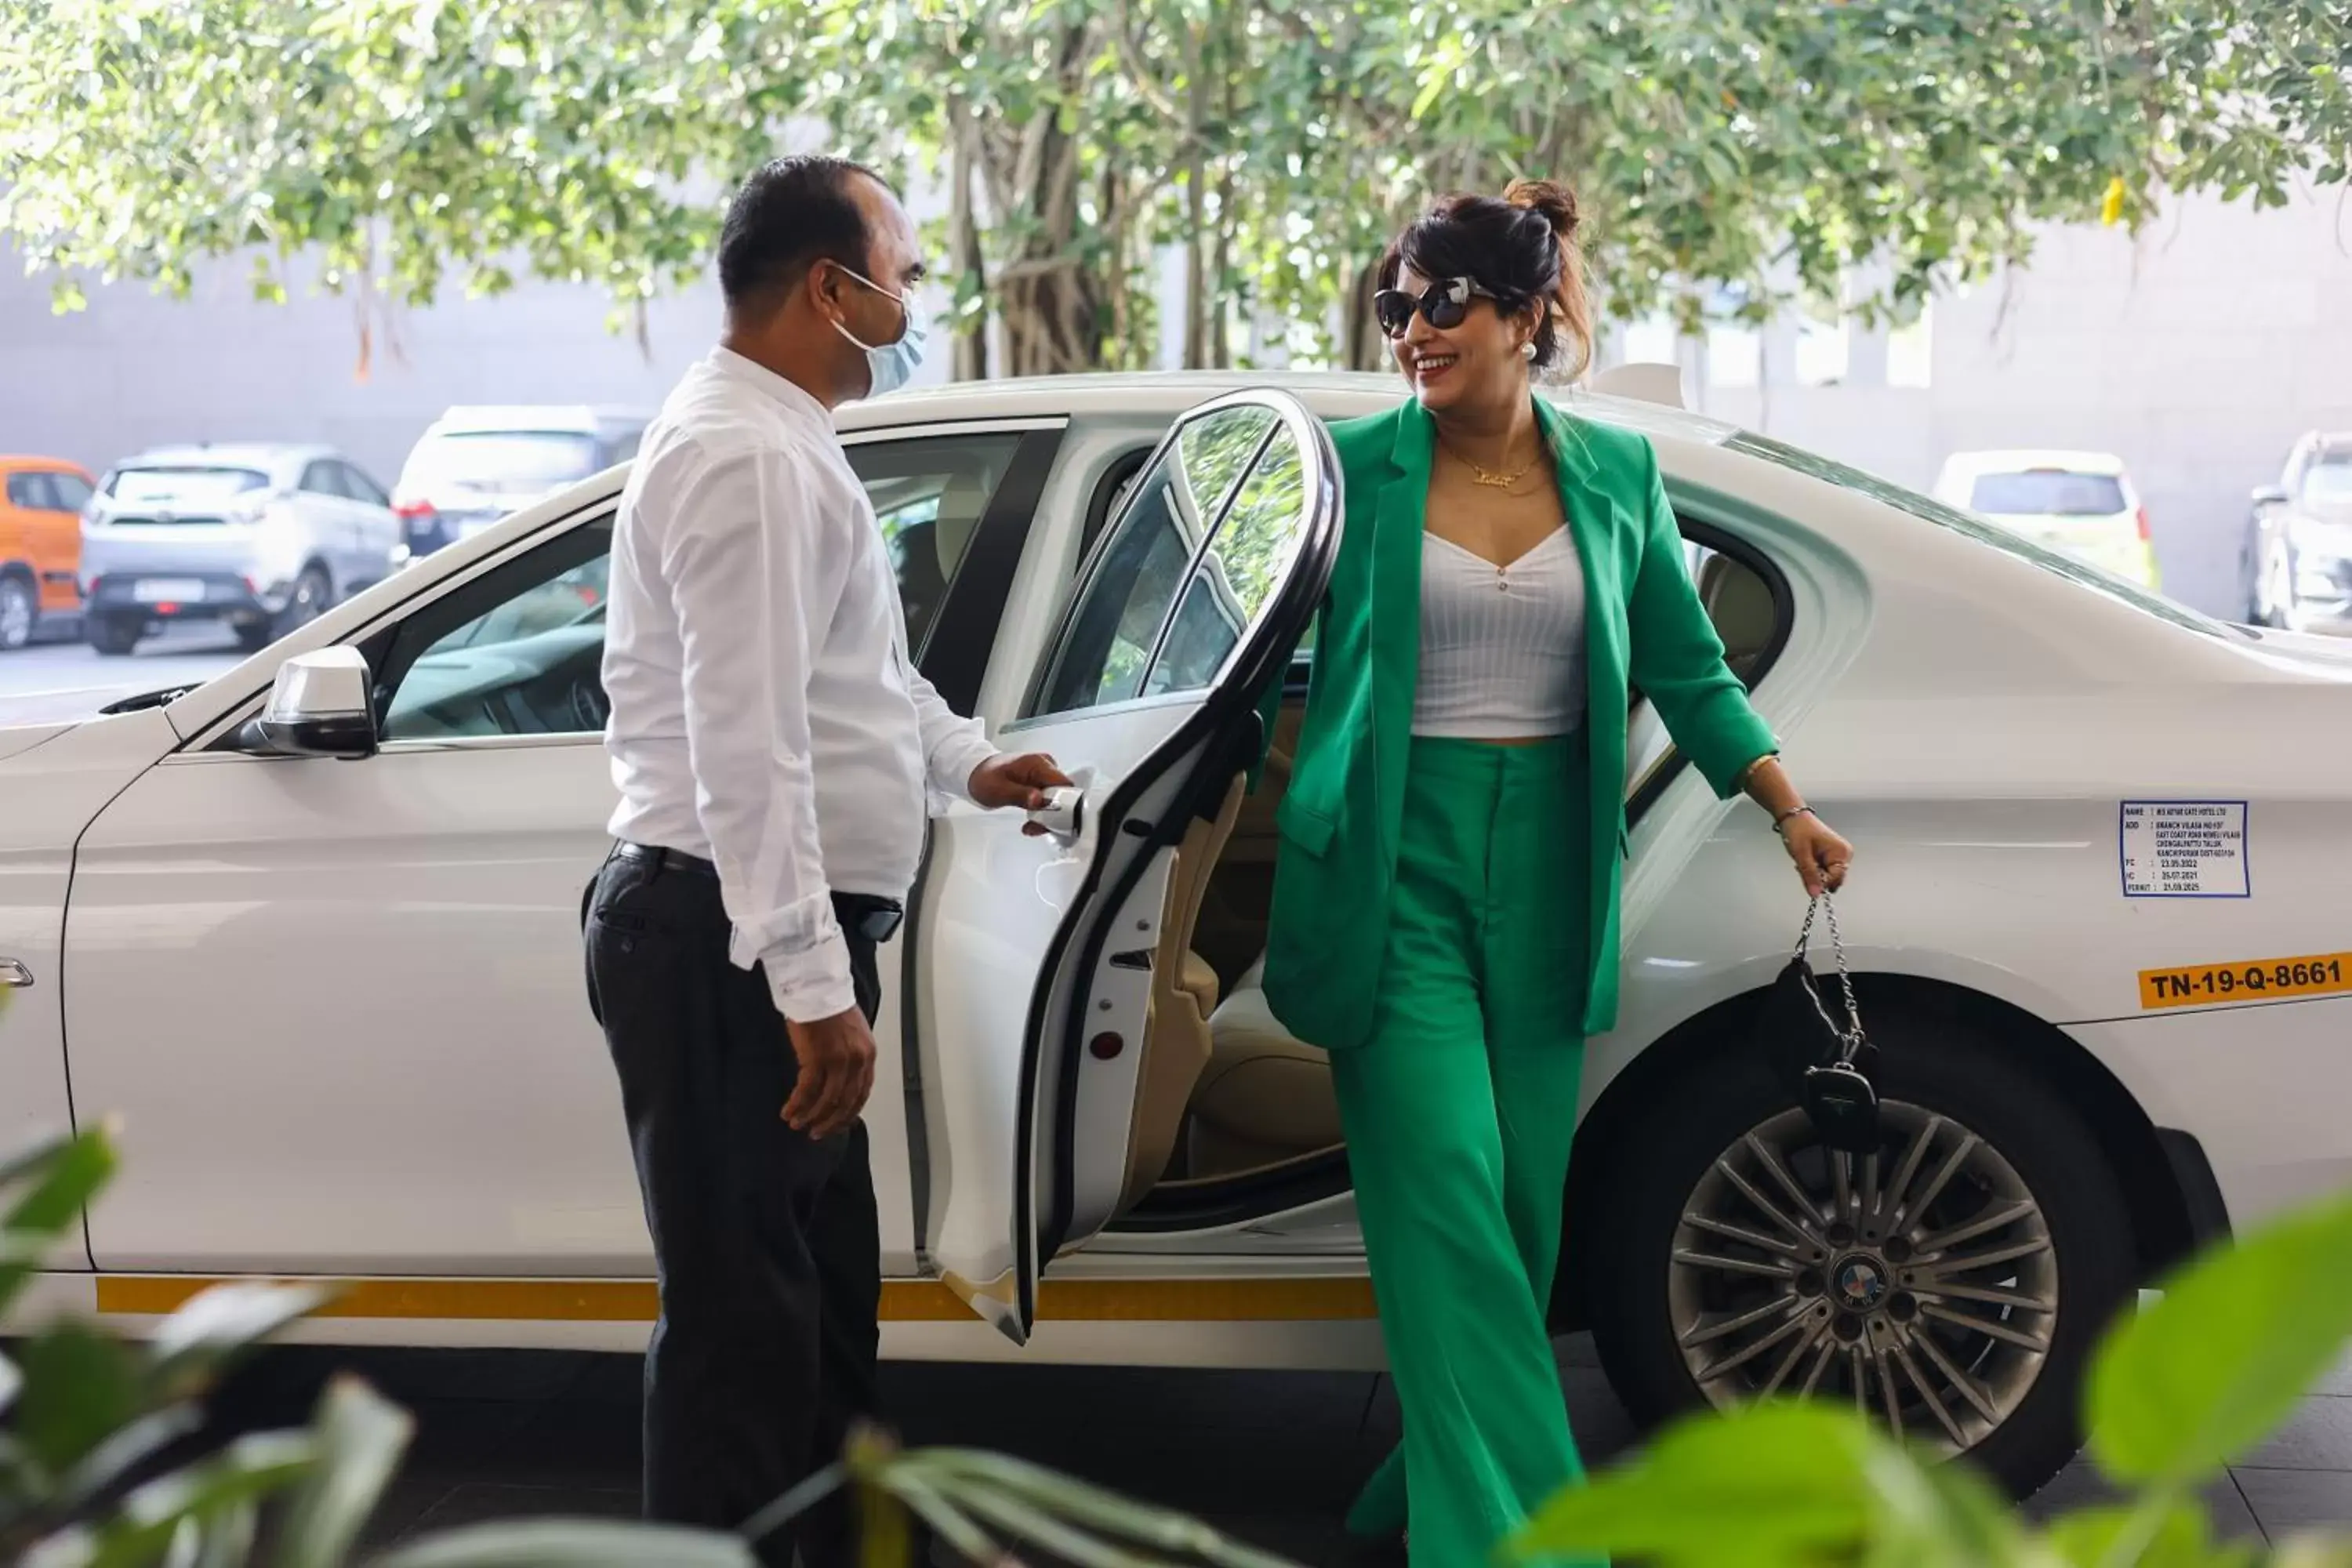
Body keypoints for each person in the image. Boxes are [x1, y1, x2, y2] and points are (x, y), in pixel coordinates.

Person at [1256, 180, 1853, 1566]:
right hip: (1389, 867)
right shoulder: (1350, 468)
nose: (1413, 328)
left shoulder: (1617, 476)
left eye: (1444, 302)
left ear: (1531, 317)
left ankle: (1438, 1463)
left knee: (1520, 1220)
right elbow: (1251, 658)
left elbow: (1685, 665)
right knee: (1451, 1188)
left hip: (1548, 869)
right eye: (1399, 304)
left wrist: (1783, 804)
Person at [582, 154, 1070, 1568]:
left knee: (809, 1316)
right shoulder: (744, 454)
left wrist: (964, 761)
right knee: (746, 1334)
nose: (908, 300)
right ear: (828, 288)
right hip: (725, 948)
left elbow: (857, 681)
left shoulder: (780, 438)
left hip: (745, 943)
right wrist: (808, 982)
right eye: (901, 278)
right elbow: (748, 746)